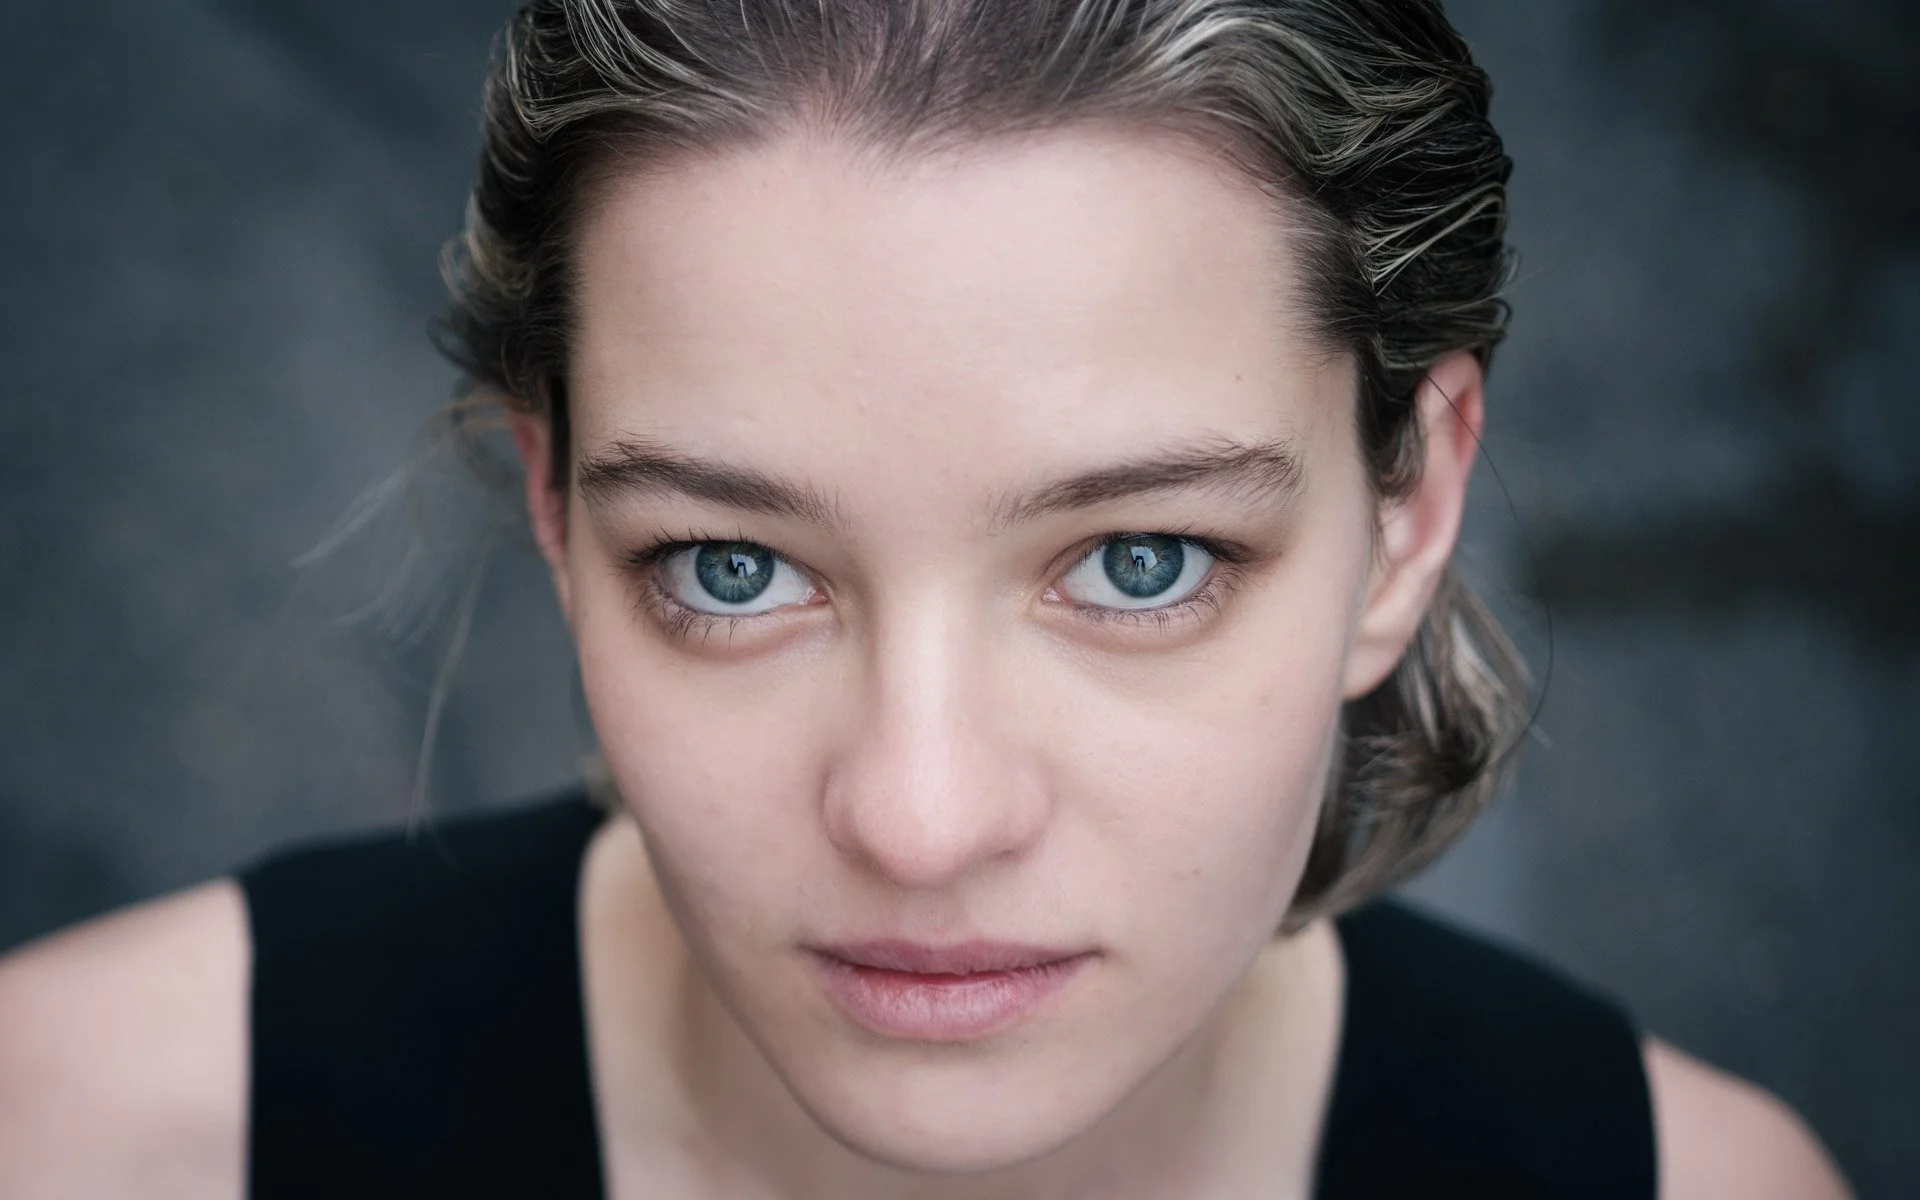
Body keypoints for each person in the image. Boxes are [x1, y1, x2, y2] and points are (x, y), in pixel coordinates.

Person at [0, 1, 1853, 1196]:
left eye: (1142, 564)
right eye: (734, 571)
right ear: (556, 507)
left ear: (1409, 505)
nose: (918, 815)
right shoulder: (82, 1136)